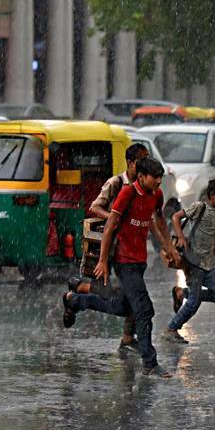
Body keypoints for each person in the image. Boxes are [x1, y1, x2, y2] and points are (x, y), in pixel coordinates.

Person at [62, 157, 182, 378]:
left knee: (123, 307)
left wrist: (169, 248)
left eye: (160, 178)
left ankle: (76, 300)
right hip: (123, 260)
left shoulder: (156, 194)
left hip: (139, 260)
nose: (158, 181)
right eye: (154, 178)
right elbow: (110, 226)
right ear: (142, 176)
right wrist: (103, 261)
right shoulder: (127, 193)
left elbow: (159, 222)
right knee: (144, 310)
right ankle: (150, 363)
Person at [68, 143, 150, 354]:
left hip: (131, 250)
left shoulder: (144, 187)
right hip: (111, 247)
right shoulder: (116, 183)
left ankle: (127, 337)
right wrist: (115, 218)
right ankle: (77, 294)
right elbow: (95, 206)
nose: (145, 166)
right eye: (141, 161)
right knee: (118, 293)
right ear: (130, 163)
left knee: (134, 293)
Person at [165, 178, 215, 344]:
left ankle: (181, 293)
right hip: (194, 261)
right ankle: (171, 329)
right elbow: (175, 217)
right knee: (194, 303)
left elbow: (211, 232)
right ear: (212, 195)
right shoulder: (199, 207)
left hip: (209, 261)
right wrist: (180, 237)